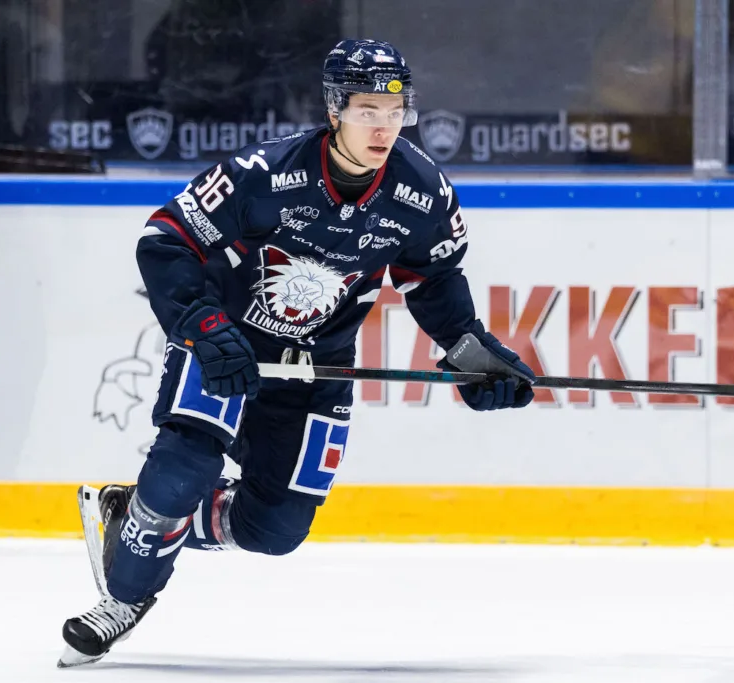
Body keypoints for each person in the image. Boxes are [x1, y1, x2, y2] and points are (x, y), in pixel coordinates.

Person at [59, 38, 535, 667]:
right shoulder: (263, 173)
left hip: (318, 370)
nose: (384, 128)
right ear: (335, 110)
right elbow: (166, 240)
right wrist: (203, 326)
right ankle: (124, 594)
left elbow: (433, 279)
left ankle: (136, 516)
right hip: (227, 348)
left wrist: (471, 352)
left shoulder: (423, 192)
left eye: (396, 113)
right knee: (182, 471)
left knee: (274, 529)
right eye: (368, 111)